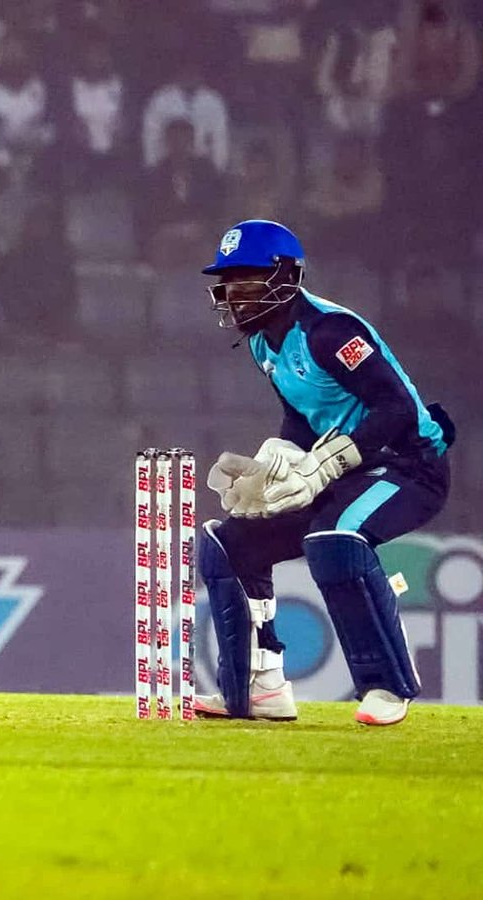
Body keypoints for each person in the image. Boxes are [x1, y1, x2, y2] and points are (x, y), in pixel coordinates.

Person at [194, 219, 454, 727]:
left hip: (410, 465)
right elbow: (302, 417)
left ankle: (387, 685)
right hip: (347, 471)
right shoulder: (262, 342)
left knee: (335, 538)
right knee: (229, 543)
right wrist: (277, 463)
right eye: (230, 284)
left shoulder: (332, 331)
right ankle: (258, 688)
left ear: (287, 277)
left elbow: (397, 409)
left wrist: (325, 465)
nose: (237, 297)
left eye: (248, 281)